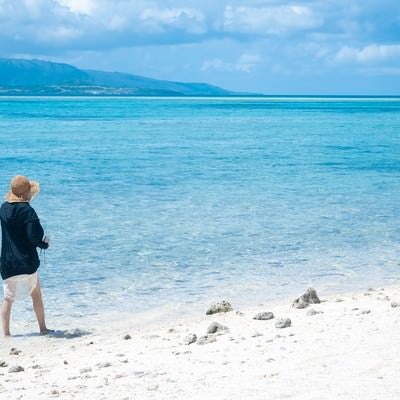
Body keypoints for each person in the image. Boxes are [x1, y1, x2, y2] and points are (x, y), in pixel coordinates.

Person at [0, 175, 50, 337]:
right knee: (36, 296)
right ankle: (43, 329)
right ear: (26, 193)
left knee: (8, 299)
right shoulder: (28, 211)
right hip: (27, 262)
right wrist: (44, 244)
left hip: (7, 263)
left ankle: (6, 334)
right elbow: (34, 237)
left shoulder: (3, 208)